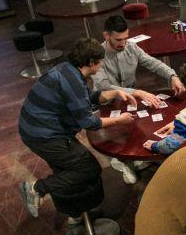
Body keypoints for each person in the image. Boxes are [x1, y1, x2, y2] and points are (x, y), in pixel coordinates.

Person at [17, 38, 136, 218]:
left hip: (34, 129)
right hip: (44, 135)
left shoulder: (68, 70)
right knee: (88, 169)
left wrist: (115, 92)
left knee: (66, 169)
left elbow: (88, 97)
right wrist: (120, 119)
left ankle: (76, 216)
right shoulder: (72, 81)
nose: (102, 65)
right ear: (91, 63)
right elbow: (89, 123)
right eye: (100, 61)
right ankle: (36, 189)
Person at [92, 15, 186, 184]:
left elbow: (152, 63)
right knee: (117, 138)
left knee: (136, 129)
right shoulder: (97, 55)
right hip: (108, 104)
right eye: (118, 39)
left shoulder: (131, 47)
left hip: (130, 101)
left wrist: (173, 76)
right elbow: (103, 87)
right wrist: (136, 92)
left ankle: (134, 155)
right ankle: (121, 161)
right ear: (106, 35)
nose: (123, 43)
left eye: (125, 38)